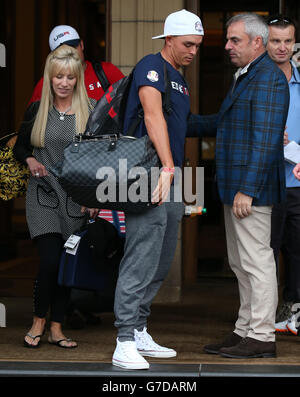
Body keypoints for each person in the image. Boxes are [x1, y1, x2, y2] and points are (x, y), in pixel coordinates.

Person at [188, 13, 289, 358]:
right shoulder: (246, 76)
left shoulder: (268, 79)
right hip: (235, 188)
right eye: (229, 40)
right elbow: (223, 122)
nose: (227, 46)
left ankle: (261, 336)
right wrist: (181, 122)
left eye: (235, 40)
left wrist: (248, 189)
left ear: (256, 42)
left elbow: (265, 139)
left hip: (251, 191)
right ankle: (244, 329)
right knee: (240, 263)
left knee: (257, 262)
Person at [111, 9, 204, 370]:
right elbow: (152, 116)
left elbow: (182, 125)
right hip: (146, 175)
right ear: (168, 40)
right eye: (187, 44)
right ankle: (123, 341)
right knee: (141, 256)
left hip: (173, 177)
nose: (193, 51)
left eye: (197, 45)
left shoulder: (180, 79)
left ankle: (138, 330)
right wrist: (166, 167)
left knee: (162, 257)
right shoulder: (152, 64)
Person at [13, 45, 97, 348]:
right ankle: (38, 321)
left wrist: (94, 198)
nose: (64, 82)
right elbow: (20, 146)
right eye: (58, 76)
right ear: (50, 78)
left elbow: (99, 160)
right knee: (49, 261)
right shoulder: (38, 110)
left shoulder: (91, 112)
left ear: (77, 79)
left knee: (64, 264)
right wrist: (31, 160)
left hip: (76, 198)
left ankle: (57, 328)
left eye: (70, 77)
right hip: (43, 195)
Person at [265, 15, 300, 335]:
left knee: (297, 249)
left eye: (287, 41)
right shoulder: (253, 79)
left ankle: (292, 310)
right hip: (264, 183)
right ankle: (262, 313)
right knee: (265, 252)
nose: (282, 47)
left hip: (298, 182)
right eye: (275, 40)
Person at [28, 24, 124, 104]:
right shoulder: (45, 84)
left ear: (81, 45)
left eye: (73, 47)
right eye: (64, 50)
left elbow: (129, 104)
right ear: (55, 56)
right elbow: (33, 121)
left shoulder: (107, 72)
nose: (70, 53)